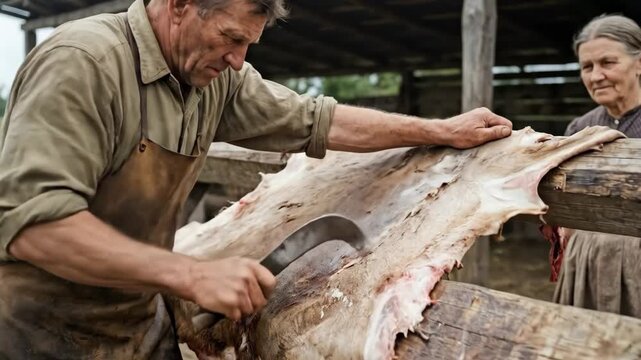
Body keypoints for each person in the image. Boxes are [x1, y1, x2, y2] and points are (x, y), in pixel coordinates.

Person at [0, 0, 512, 358]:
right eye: (230, 38)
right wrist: (190, 274)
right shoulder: (84, 63)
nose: (239, 59)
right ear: (179, 4)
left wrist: (439, 130)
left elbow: (318, 119)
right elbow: (35, 228)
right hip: (38, 327)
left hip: (135, 320)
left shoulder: (215, 79)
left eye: (249, 43)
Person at [554, 14, 641, 317]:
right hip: (586, 265)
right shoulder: (580, 127)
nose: (596, 76)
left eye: (608, 63)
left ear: (639, 64)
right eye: (587, 67)